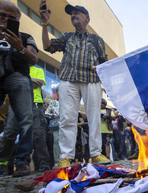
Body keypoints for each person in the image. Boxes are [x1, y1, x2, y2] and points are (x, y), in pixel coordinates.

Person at [39, 1, 110, 167]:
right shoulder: (67, 37)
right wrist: (44, 23)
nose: (73, 15)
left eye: (77, 12)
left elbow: (104, 63)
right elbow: (47, 46)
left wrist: (99, 70)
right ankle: (66, 157)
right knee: (67, 118)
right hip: (68, 79)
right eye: (72, 13)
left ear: (87, 18)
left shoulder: (96, 39)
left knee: (93, 117)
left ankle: (96, 154)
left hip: (91, 80)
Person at [0, 0, 38, 177]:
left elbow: (33, 58)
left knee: (26, 120)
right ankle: (2, 161)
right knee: (8, 133)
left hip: (18, 76)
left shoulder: (25, 37)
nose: (5, 19)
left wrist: (19, 47)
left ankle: (22, 162)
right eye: (2, 15)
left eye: (11, 18)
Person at [30, 65, 51, 171]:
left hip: (36, 103)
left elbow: (39, 82)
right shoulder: (15, 68)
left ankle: (43, 163)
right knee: (12, 133)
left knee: (39, 135)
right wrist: (30, 81)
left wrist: (22, 80)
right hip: (17, 102)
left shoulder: (38, 70)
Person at [45, 88, 60, 167]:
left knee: (68, 141)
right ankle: (57, 161)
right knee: (56, 141)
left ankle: (68, 159)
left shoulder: (69, 102)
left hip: (67, 124)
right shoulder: (53, 102)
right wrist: (53, 116)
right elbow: (46, 113)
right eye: (58, 92)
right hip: (57, 125)